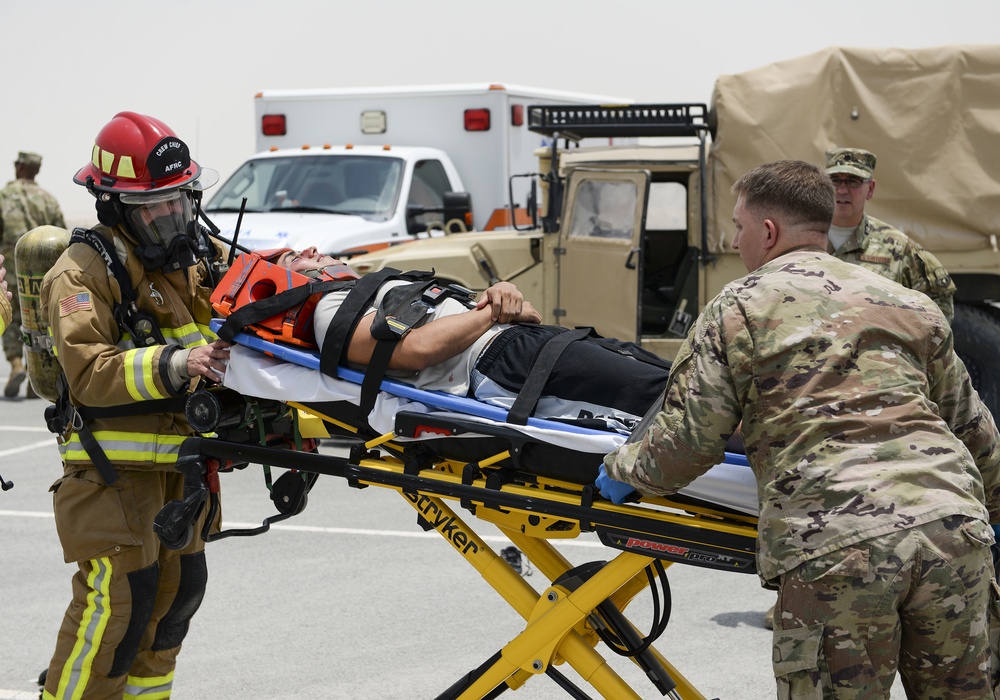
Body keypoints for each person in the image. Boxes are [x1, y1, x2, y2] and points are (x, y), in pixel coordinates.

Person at [600, 160, 1000, 698]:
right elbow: (976, 432)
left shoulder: (737, 307)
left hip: (837, 544)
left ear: (767, 232)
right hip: (954, 531)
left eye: (739, 227)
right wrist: (991, 515)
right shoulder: (908, 304)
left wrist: (622, 471)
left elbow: (687, 446)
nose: (736, 240)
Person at [39, 112, 231, 700]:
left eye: (179, 201)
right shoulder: (80, 273)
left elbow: (237, 300)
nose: (171, 217)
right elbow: (90, 372)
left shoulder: (190, 256)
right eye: (153, 207)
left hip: (180, 473)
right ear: (114, 206)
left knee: (176, 602)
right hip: (111, 480)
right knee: (117, 619)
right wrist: (176, 365)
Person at [259, 247, 670, 430]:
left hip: (527, 345)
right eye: (294, 257)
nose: (312, 249)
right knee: (662, 397)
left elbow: (511, 312)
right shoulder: (328, 313)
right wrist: (492, 309)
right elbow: (417, 349)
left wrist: (501, 296)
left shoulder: (367, 289)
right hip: (502, 365)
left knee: (671, 377)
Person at [825, 147, 956, 322]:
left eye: (852, 181)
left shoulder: (897, 247)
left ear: (870, 189)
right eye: (834, 180)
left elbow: (939, 298)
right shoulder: (801, 236)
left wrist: (913, 343)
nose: (841, 190)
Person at [0, 151, 66, 398]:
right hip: (43, 273)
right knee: (40, 323)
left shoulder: (4, 196)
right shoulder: (48, 199)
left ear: (18, 167)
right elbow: (63, 238)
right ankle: (35, 376)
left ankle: (16, 363)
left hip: (11, 268)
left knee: (9, 317)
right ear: (36, 170)